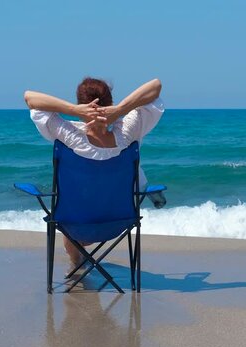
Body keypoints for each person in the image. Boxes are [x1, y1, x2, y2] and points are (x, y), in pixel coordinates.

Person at [23, 77, 164, 269]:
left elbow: (30, 98)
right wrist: (121, 110)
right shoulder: (127, 133)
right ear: (111, 103)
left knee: (69, 216)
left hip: (76, 224)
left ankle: (76, 263)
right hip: (119, 222)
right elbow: (155, 87)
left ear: (81, 106)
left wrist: (73, 110)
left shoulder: (70, 135)